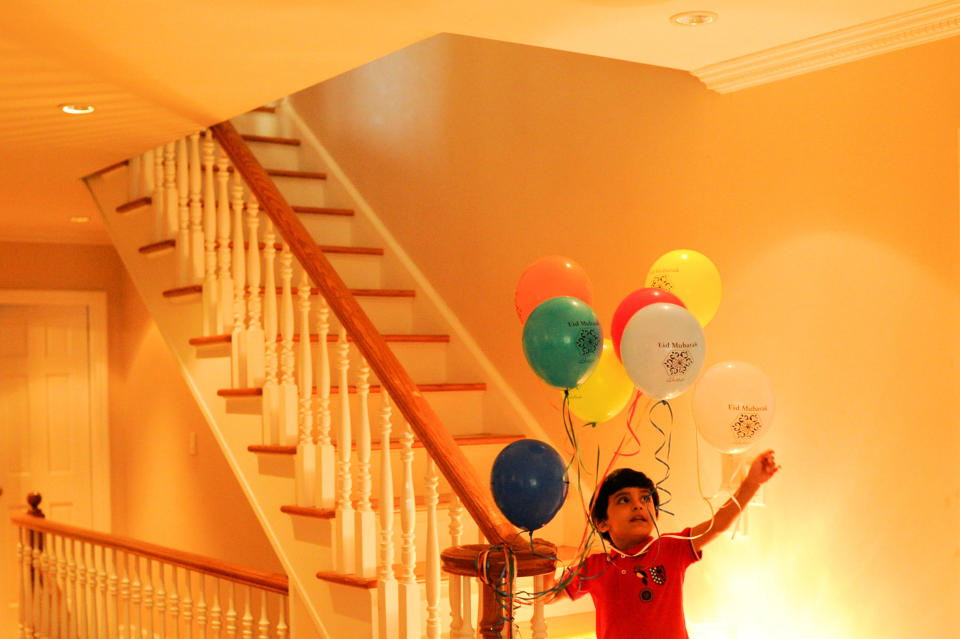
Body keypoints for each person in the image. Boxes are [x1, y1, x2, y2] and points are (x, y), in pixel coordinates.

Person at [544, 449, 780, 639]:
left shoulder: (671, 548)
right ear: (603, 523)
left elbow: (718, 524)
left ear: (655, 515)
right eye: (624, 499)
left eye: (645, 498)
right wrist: (545, 560)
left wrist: (751, 483)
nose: (638, 505)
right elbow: (549, 595)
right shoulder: (595, 566)